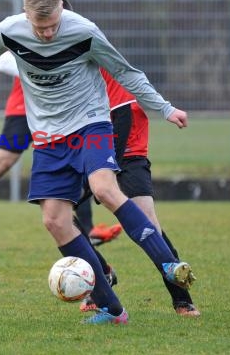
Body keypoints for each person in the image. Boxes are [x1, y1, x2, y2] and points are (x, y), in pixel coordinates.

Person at [0, 0, 196, 324]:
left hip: (91, 123)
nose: (47, 33)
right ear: (26, 17)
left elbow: (126, 72)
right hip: (48, 137)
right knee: (54, 220)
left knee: (103, 187)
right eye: (40, 27)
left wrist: (164, 109)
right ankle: (111, 308)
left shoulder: (84, 31)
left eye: (53, 25)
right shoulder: (10, 31)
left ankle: (168, 263)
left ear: (62, 12)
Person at [0, 0, 120, 247]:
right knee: (1, 164)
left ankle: (87, 231)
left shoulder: (69, 25)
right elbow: (2, 60)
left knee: (79, 165)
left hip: (64, 115)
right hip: (23, 110)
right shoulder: (24, 27)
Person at [75, 68, 200, 317]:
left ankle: (182, 300)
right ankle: (104, 274)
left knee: (149, 226)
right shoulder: (67, 70)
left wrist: (108, 169)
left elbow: (122, 117)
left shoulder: (102, 65)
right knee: (59, 214)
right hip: (92, 154)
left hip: (129, 154)